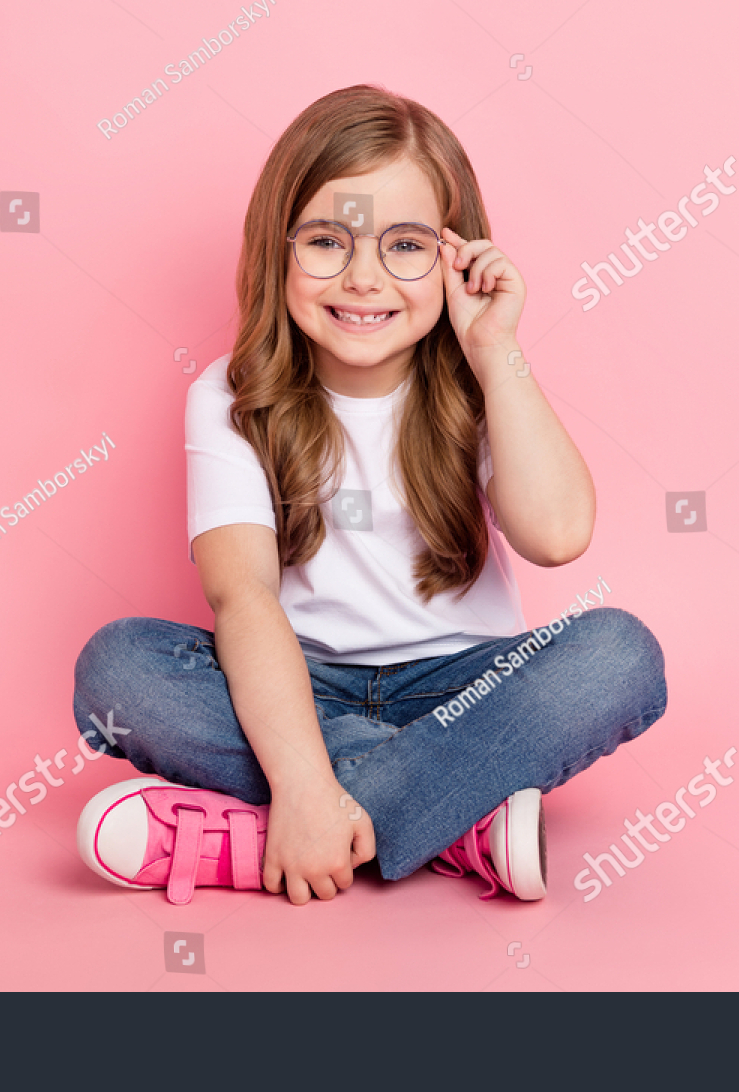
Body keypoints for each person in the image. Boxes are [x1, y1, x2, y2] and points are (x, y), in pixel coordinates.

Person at [71, 83, 668, 907]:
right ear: (277, 248)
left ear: (456, 256)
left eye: (405, 245)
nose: (363, 278)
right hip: (297, 690)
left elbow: (560, 533)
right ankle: (453, 817)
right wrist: (301, 773)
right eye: (327, 240)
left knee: (619, 656)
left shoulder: (477, 385)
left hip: (470, 690)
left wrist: (496, 351)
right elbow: (243, 596)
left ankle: (287, 829)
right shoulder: (230, 397)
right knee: (119, 669)